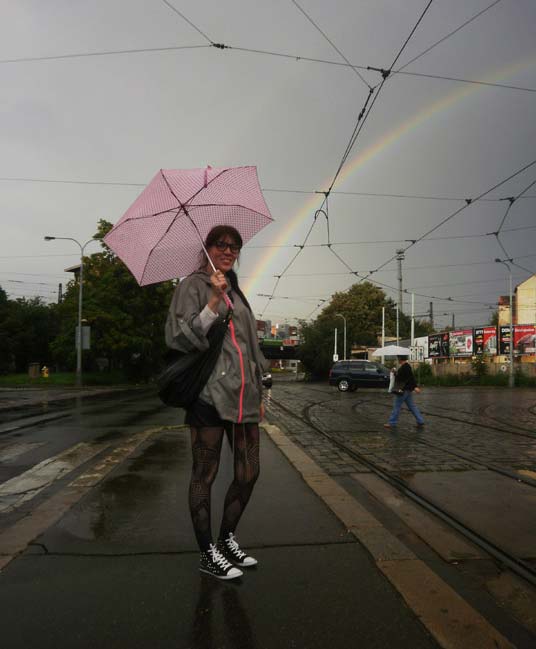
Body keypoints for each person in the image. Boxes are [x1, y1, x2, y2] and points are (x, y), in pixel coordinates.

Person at [165, 225, 266, 580]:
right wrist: (212, 301)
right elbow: (178, 337)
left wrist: (259, 388)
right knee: (204, 474)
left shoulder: (236, 290)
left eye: (234, 246)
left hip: (244, 395)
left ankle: (226, 539)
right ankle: (208, 553)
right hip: (208, 395)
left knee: (249, 472)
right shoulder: (192, 286)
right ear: (207, 248)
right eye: (221, 244)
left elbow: (251, 346)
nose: (228, 250)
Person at [384, 356, 425, 428]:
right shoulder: (407, 366)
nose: (398, 360)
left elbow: (400, 378)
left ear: (400, 359)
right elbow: (410, 378)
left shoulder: (404, 368)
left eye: (398, 359)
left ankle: (392, 422)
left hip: (402, 390)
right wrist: (414, 387)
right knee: (412, 406)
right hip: (408, 390)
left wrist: (394, 373)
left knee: (397, 406)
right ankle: (420, 421)